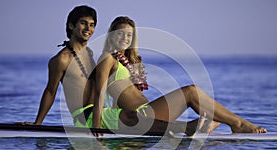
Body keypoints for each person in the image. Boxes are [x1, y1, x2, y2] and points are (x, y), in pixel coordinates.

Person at [22, 5, 212, 136]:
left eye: (92, 24)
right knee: (131, 117)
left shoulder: (90, 54)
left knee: (131, 114)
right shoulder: (61, 60)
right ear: (71, 25)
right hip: (85, 117)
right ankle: (187, 128)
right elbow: (50, 91)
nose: (88, 28)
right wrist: (38, 125)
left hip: (102, 114)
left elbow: (105, 88)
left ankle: (188, 128)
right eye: (83, 23)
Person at [92, 16, 267, 134]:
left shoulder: (125, 60)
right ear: (112, 35)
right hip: (140, 116)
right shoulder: (107, 58)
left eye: (129, 35)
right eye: (120, 33)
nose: (125, 38)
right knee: (191, 92)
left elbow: (118, 93)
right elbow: (100, 92)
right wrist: (97, 127)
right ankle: (238, 124)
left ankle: (206, 126)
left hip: (146, 115)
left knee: (215, 115)